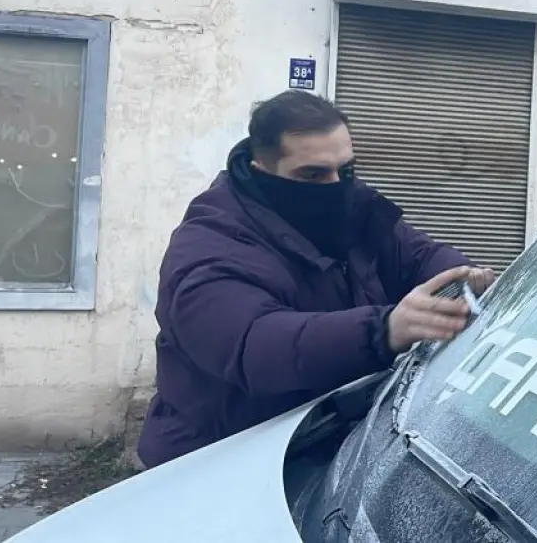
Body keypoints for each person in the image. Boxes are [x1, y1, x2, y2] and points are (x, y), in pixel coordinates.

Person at [137, 90, 493, 468]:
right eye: (313, 174)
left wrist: (467, 279)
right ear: (262, 170)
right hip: (215, 465)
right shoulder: (208, 246)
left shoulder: (351, 208)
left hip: (320, 453)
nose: (335, 186)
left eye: (346, 171)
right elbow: (255, 344)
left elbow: (416, 254)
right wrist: (383, 330)